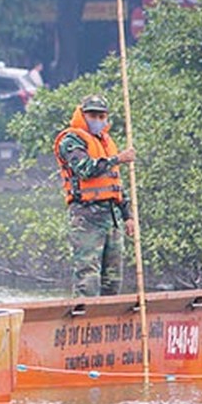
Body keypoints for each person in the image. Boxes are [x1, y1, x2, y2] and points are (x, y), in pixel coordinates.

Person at [53, 94, 137, 297]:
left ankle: (107, 322)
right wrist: (117, 159)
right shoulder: (71, 140)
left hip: (112, 217)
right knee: (88, 278)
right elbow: (85, 169)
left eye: (101, 116)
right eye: (92, 115)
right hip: (86, 218)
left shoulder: (106, 142)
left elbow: (115, 182)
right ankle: (83, 322)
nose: (98, 120)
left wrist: (128, 215)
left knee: (113, 279)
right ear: (83, 114)